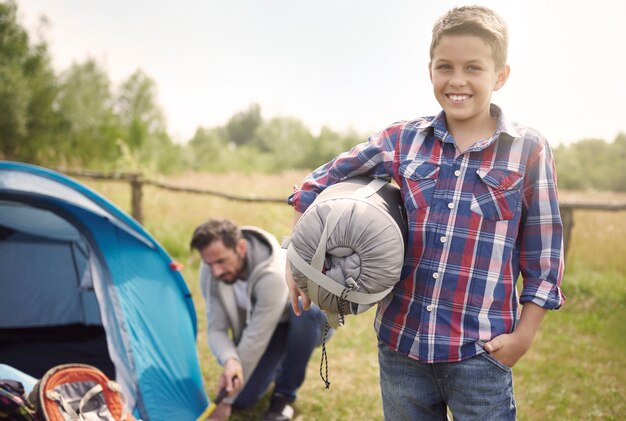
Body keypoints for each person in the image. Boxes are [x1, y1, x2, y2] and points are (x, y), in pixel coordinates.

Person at [285, 5, 565, 420]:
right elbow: (315, 185)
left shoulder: (528, 150)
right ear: (430, 70)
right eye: (445, 66)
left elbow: (544, 258)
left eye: (473, 67)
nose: (457, 80)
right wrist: (300, 261)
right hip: (402, 346)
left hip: (481, 352)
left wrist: (523, 337)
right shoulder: (403, 140)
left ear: (500, 75)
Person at [190, 218, 329, 421]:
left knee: (305, 311)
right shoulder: (211, 272)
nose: (216, 271)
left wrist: (224, 402)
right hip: (266, 331)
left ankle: (283, 398)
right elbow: (215, 328)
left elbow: (255, 339)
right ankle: (276, 362)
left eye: (221, 261)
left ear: (241, 247)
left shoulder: (272, 274)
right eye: (209, 264)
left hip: (302, 322)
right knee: (242, 401)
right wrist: (230, 359)